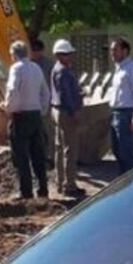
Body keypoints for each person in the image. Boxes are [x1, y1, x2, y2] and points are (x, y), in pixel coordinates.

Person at [0, 40, 50, 200]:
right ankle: (43, 189)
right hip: (35, 115)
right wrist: (41, 110)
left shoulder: (16, 69)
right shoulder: (36, 68)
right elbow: (45, 93)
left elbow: (13, 90)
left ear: (14, 54)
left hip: (21, 117)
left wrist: (7, 108)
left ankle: (26, 192)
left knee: (21, 156)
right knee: (37, 155)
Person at [108, 37, 133, 174]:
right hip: (116, 114)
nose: (112, 53)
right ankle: (123, 180)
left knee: (126, 153)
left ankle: (131, 182)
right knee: (117, 151)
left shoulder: (132, 68)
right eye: (111, 50)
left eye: (115, 50)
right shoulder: (118, 70)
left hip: (126, 114)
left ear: (125, 51)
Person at [51, 38, 84, 197]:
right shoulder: (63, 71)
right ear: (59, 55)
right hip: (66, 112)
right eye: (66, 54)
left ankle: (60, 183)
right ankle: (69, 185)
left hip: (59, 111)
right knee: (70, 150)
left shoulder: (58, 69)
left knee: (60, 148)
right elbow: (65, 94)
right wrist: (74, 111)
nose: (69, 56)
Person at [29, 38, 56, 169]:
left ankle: (50, 157)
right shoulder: (29, 65)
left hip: (47, 103)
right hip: (33, 104)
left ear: (42, 50)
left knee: (47, 132)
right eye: (33, 50)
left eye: (37, 50)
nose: (34, 53)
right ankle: (38, 157)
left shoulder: (49, 65)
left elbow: (53, 85)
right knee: (36, 133)